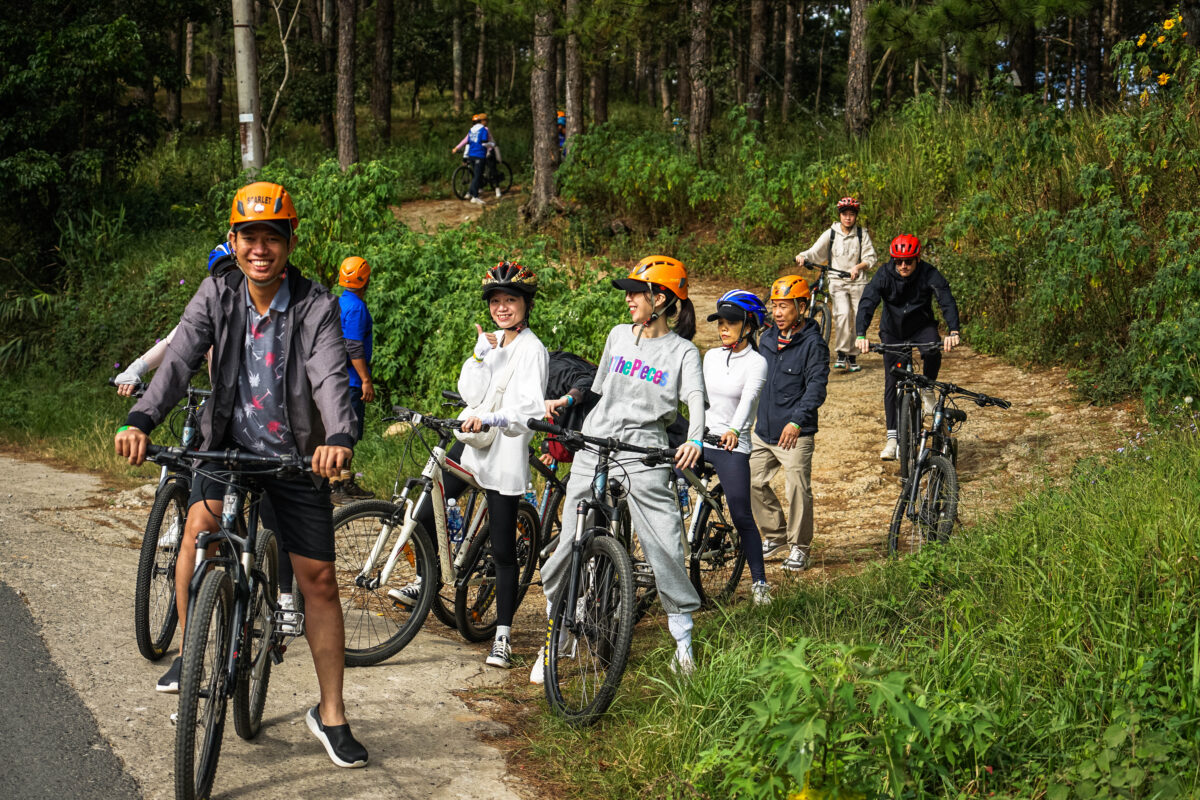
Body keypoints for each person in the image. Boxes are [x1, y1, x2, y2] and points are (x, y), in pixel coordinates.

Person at [114, 181, 369, 769]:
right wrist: (141, 417)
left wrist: (338, 437)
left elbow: (330, 375)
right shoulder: (216, 291)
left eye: (272, 238)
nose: (260, 248)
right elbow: (178, 361)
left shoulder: (314, 304)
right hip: (226, 446)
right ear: (233, 241)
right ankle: (195, 648)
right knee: (197, 535)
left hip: (294, 457)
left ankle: (330, 713)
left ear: (288, 243)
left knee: (320, 581)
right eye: (249, 237)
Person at [535, 255, 706, 682]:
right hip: (595, 445)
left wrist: (695, 439)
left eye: (636, 292)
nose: (629, 299)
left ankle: (682, 639)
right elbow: (596, 390)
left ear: (661, 299)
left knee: (664, 540)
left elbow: (697, 401)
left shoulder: (682, 352)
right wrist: (566, 405)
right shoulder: (616, 336)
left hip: (643, 450)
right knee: (568, 543)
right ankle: (559, 633)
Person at [454, 261, 548, 669]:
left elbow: (529, 408)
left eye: (511, 300)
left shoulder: (533, 350)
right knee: (432, 497)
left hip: (505, 451)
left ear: (526, 304)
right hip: (475, 446)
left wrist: (491, 418)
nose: (502, 307)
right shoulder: (494, 344)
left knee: (504, 550)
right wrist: (478, 356)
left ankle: (503, 637)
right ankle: (427, 579)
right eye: (496, 300)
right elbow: (469, 392)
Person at [749, 275, 829, 573]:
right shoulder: (767, 337)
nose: (778, 312)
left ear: (802, 306)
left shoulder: (814, 345)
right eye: (775, 306)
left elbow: (816, 389)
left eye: (784, 306)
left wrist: (797, 422)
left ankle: (800, 547)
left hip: (795, 433)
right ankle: (776, 534)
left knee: (797, 488)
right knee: (751, 481)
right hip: (764, 430)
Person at [855, 234, 960, 461]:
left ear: (917, 259)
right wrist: (861, 334)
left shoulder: (929, 273)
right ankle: (892, 438)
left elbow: (946, 299)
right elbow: (868, 301)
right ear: (893, 260)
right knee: (892, 380)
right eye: (899, 261)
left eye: (909, 261)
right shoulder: (884, 274)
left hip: (921, 327)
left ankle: (928, 388)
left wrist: (954, 331)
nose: (903, 266)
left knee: (932, 350)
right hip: (893, 331)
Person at [701, 290, 771, 605]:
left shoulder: (756, 363)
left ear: (749, 325)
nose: (723, 328)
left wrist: (733, 431)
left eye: (731, 323)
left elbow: (748, 402)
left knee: (741, 513)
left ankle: (759, 584)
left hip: (732, 444)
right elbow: (698, 398)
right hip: (701, 438)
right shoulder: (711, 356)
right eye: (721, 322)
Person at [112, 242, 238, 395]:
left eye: (238, 272)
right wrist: (134, 370)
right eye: (225, 274)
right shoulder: (212, 310)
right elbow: (175, 341)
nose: (233, 279)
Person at [794, 196, 877, 372]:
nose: (848, 218)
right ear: (840, 215)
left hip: (858, 282)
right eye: (845, 214)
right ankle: (841, 353)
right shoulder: (831, 234)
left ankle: (853, 356)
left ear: (856, 216)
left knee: (857, 318)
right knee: (843, 314)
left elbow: (870, 258)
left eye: (852, 214)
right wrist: (803, 256)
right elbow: (814, 252)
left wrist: (858, 266)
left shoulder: (862, 234)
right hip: (837, 281)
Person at [330, 256, 375, 505]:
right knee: (345, 435)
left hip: (338, 378)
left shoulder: (340, 302)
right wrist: (366, 379)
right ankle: (336, 485)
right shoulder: (356, 307)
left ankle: (346, 481)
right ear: (366, 278)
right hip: (351, 381)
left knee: (347, 433)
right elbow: (354, 347)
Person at [451, 112, 502, 204]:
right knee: (477, 175)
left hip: (487, 151)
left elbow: (487, 141)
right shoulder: (477, 130)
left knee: (491, 168)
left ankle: (496, 188)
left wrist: (490, 149)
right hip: (479, 154)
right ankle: (474, 193)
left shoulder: (483, 130)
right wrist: (457, 148)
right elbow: (467, 141)